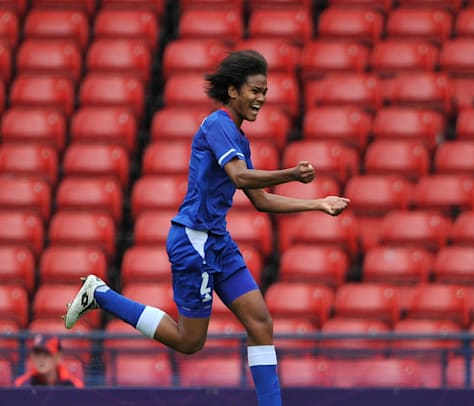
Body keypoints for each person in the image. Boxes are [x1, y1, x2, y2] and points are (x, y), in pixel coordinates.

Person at [63, 50, 350, 405]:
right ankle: (102, 295)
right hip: (193, 241)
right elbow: (239, 176)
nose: (261, 98)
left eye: (265, 92)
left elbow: (260, 200)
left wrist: (317, 204)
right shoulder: (218, 125)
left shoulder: (238, 138)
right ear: (233, 90)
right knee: (190, 342)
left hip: (217, 241)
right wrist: (292, 173)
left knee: (261, 323)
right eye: (255, 90)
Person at [14, 334, 84, 388]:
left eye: (47, 354)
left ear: (58, 357)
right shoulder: (22, 385)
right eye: (37, 354)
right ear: (32, 357)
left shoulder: (73, 386)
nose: (41, 359)